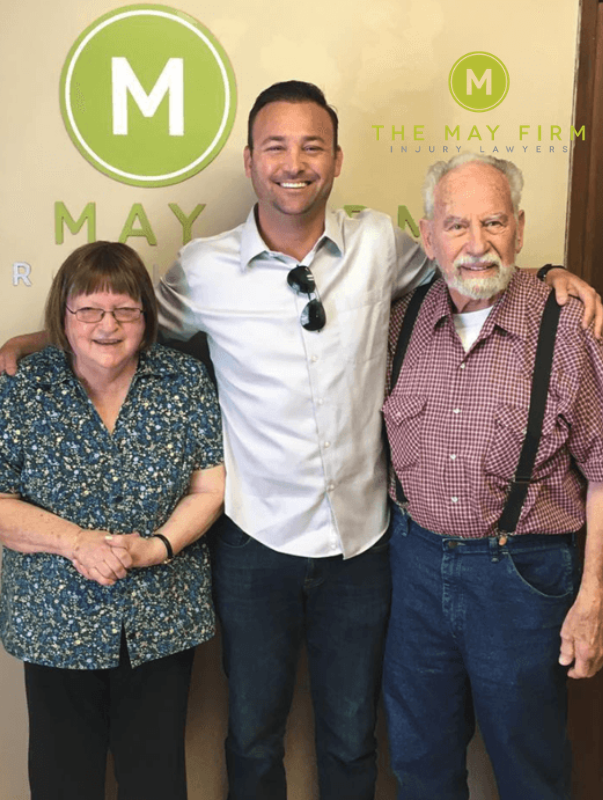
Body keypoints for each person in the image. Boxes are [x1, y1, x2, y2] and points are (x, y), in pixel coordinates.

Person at [0, 83, 600, 800]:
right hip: (254, 543)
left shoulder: (381, 245)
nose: (294, 163)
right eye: (276, 147)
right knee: (253, 735)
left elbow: (473, 263)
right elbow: (123, 322)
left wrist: (549, 275)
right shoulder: (203, 266)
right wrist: (40, 337)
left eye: (312, 146)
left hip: (365, 547)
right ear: (250, 160)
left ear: (337, 159)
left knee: (352, 735)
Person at [382, 153, 603, 800]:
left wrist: (592, 600)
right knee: (420, 765)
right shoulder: (399, 321)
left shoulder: (569, 326)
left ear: (520, 229)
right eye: (456, 225)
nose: (476, 245)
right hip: (414, 570)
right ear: (428, 237)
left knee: (530, 769)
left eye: (494, 222)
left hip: (523, 578)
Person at [0, 241, 225, 800]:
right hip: (54, 621)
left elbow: (210, 486)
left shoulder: (184, 381)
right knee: (61, 781)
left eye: (125, 309)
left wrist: (157, 546)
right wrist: (78, 543)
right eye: (90, 310)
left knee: (156, 780)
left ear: (146, 317)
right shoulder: (21, 386)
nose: (108, 325)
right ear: (63, 315)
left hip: (162, 618)